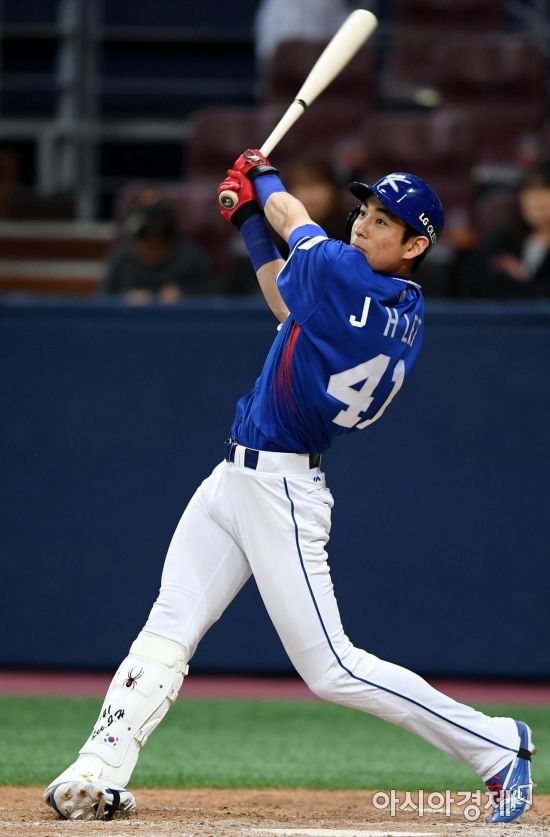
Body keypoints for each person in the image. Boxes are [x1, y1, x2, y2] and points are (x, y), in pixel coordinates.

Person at [44, 152, 534, 824]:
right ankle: (97, 770)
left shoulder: (345, 275)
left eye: (384, 222)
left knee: (332, 668)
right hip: (235, 479)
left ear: (415, 246)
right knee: (168, 627)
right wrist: (249, 220)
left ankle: (497, 743)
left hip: (282, 489)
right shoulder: (397, 303)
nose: (363, 224)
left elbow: (293, 215)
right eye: (365, 211)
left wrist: (260, 174)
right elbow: (288, 307)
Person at [102, 194, 220, 303]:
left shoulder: (191, 258)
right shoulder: (123, 258)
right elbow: (103, 297)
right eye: (147, 244)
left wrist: (184, 294)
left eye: (157, 245)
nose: (151, 251)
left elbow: (217, 294)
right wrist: (125, 297)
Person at [463, 159, 550, 299]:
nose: (538, 202)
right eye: (531, 191)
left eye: (546, 190)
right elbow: (472, 289)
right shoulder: (500, 243)